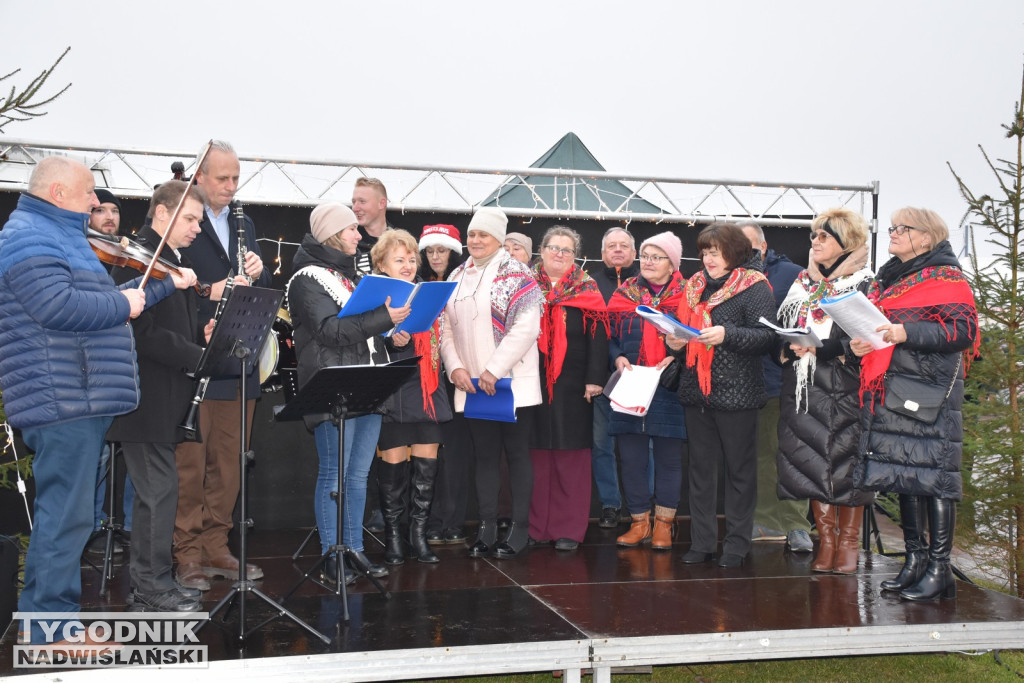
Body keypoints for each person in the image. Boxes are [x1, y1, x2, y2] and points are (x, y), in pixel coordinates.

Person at [0, 157, 183, 645]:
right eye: (88, 194)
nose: (96, 203)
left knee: (64, 514)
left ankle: (40, 627)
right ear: (58, 192)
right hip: (62, 397)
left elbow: (104, 299)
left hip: (75, 394)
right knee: (68, 516)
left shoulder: (58, 236)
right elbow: (56, 307)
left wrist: (163, 284)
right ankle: (52, 633)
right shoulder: (29, 237)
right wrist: (125, 305)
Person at [850, 208, 978, 601]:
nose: (893, 234)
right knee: (906, 474)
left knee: (936, 479)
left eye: (901, 229)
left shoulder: (948, 279)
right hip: (895, 388)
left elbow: (964, 330)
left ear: (926, 237)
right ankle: (915, 560)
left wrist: (905, 331)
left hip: (929, 394)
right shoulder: (891, 279)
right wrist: (864, 342)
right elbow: (882, 330)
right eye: (892, 228)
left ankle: (940, 570)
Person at [286, 203, 410, 585]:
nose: (360, 236)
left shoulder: (350, 277)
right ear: (333, 233)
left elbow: (358, 330)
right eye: (352, 230)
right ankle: (330, 555)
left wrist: (392, 335)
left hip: (369, 382)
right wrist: (384, 319)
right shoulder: (306, 278)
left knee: (358, 475)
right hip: (333, 387)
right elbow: (329, 331)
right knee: (335, 475)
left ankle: (353, 549)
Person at [175, 140, 272, 591]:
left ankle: (217, 545)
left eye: (236, 178)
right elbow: (160, 283)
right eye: (222, 178)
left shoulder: (243, 222)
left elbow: (257, 284)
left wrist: (258, 271)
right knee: (191, 465)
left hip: (238, 359)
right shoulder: (178, 214)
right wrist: (207, 292)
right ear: (199, 177)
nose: (231, 187)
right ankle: (186, 553)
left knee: (229, 464)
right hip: (194, 359)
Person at [107, 180, 206, 611]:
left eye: (200, 221)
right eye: (190, 218)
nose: (197, 228)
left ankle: (157, 582)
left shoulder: (167, 261)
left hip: (164, 399)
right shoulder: (136, 262)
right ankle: (150, 588)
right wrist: (195, 354)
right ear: (162, 214)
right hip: (141, 399)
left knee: (161, 494)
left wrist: (198, 337)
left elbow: (170, 326)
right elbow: (140, 332)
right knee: (157, 495)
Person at [667, 222, 776, 568]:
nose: (708, 258)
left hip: (738, 394)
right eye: (704, 252)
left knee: (739, 473)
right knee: (700, 472)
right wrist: (676, 342)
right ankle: (702, 543)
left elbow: (766, 338)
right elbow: (687, 333)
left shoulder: (754, 286)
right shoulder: (693, 286)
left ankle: (736, 545)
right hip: (696, 392)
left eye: (715, 252)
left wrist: (727, 335)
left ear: (734, 251)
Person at [439, 207, 544, 559]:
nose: (476, 241)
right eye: (472, 235)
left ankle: (519, 529)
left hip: (510, 384)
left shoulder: (518, 274)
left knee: (516, 456)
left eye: (483, 234)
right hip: (471, 386)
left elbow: (527, 329)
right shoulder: (456, 275)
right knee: (484, 457)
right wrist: (455, 368)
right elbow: (445, 327)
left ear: (499, 238)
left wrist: (493, 371)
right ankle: (485, 527)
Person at [774, 209, 875, 573]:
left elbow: (865, 338)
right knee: (811, 464)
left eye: (823, 236)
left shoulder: (865, 282)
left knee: (849, 466)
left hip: (847, 386)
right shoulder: (802, 283)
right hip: (804, 387)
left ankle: (848, 544)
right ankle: (827, 541)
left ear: (845, 242)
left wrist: (821, 348)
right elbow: (780, 332)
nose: (814, 242)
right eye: (813, 236)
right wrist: (788, 348)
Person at [371, 229, 453, 565]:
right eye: (398, 259)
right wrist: (392, 341)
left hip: (426, 387)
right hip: (389, 390)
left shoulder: (428, 292)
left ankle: (418, 536)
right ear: (382, 263)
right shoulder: (371, 294)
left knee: (426, 469)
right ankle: (394, 538)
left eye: (410, 259)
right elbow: (361, 343)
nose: (406, 265)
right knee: (393, 473)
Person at [606, 231, 687, 551]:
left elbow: (695, 336)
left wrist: (676, 355)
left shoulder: (687, 293)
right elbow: (609, 335)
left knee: (669, 459)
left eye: (657, 257)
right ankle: (639, 523)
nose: (648, 262)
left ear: (673, 264)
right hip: (631, 382)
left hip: (668, 385)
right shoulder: (625, 292)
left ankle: (664, 526)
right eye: (646, 256)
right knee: (630, 457)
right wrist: (617, 357)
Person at [529, 226, 608, 551]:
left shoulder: (587, 290)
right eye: (553, 248)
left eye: (566, 250)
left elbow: (598, 339)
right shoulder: (525, 286)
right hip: (531, 382)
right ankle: (537, 528)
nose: (559, 254)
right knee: (537, 456)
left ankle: (568, 530)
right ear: (542, 251)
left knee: (570, 457)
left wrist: (595, 379)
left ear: (575, 257)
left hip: (575, 385)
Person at [739, 221, 811, 552]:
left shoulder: (792, 274)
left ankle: (797, 525)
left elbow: (808, 319)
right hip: (750, 383)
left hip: (790, 379)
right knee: (762, 456)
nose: (744, 254)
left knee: (793, 456)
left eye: (750, 248)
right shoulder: (727, 278)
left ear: (764, 247)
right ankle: (767, 521)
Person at [415, 224, 474, 546]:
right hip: (426, 382)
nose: (436, 257)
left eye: (442, 250)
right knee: (428, 455)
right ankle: (431, 521)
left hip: (458, 377)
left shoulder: (465, 283)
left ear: (454, 251)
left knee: (457, 455)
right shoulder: (418, 285)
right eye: (431, 251)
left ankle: (454, 521)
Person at [85, 188, 136, 554]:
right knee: (98, 456)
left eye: (114, 210)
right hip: (97, 370)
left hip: (134, 366)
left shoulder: (129, 256)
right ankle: (92, 527)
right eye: (100, 209)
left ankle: (135, 528)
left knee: (139, 452)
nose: (109, 216)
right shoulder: (82, 255)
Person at [589, 227, 639, 528]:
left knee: (640, 447)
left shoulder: (644, 283)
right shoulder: (591, 284)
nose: (617, 250)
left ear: (634, 252)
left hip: (640, 378)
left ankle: (640, 509)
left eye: (624, 245)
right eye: (611, 246)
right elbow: (595, 332)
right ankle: (610, 504)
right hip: (605, 379)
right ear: (602, 253)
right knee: (602, 445)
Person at [352, 177, 390, 276]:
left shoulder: (401, 242)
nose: (355, 208)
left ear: (382, 203)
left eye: (362, 201)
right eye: (354, 202)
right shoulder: (348, 242)